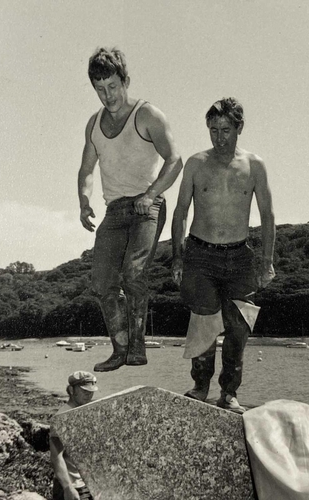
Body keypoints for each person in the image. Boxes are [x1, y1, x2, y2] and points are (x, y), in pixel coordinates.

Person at [78, 47, 183, 372]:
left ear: (125, 81)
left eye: (112, 87)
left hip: (147, 207)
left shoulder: (147, 114)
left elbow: (175, 160)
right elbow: (86, 170)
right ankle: (119, 349)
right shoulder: (94, 125)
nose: (107, 96)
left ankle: (138, 345)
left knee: (133, 274)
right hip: (114, 212)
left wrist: (151, 194)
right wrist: (84, 201)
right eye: (100, 89)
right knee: (101, 282)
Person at [171, 97, 276, 414]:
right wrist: (177, 257)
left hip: (240, 258)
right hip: (200, 256)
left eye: (226, 129)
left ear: (239, 128)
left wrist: (267, 261)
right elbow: (180, 213)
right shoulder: (195, 163)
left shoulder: (254, 166)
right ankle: (200, 388)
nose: (219, 137)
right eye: (213, 129)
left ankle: (228, 394)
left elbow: (268, 216)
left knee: (238, 328)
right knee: (203, 326)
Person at [50, 371, 99, 500]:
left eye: (91, 391)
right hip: (72, 486)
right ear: (71, 390)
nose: (89, 395)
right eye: (84, 391)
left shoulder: (83, 414)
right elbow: (56, 457)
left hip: (88, 485)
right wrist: (68, 488)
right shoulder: (62, 418)